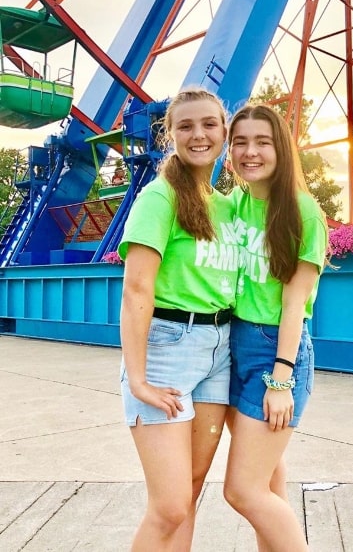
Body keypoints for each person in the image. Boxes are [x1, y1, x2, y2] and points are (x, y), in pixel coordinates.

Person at [118, 88, 239, 551]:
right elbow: (136, 290)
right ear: (169, 135)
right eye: (185, 126)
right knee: (168, 505)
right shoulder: (159, 197)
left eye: (209, 124)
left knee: (189, 489)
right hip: (168, 347)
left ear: (224, 131)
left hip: (219, 351)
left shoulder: (226, 206)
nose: (199, 134)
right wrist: (138, 378)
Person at [224, 104, 328, 552]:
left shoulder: (304, 212)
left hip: (276, 349)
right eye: (241, 142)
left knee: (242, 491)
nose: (250, 151)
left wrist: (281, 379)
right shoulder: (235, 203)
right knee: (268, 480)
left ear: (281, 149)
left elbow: (294, 304)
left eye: (262, 142)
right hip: (232, 343)